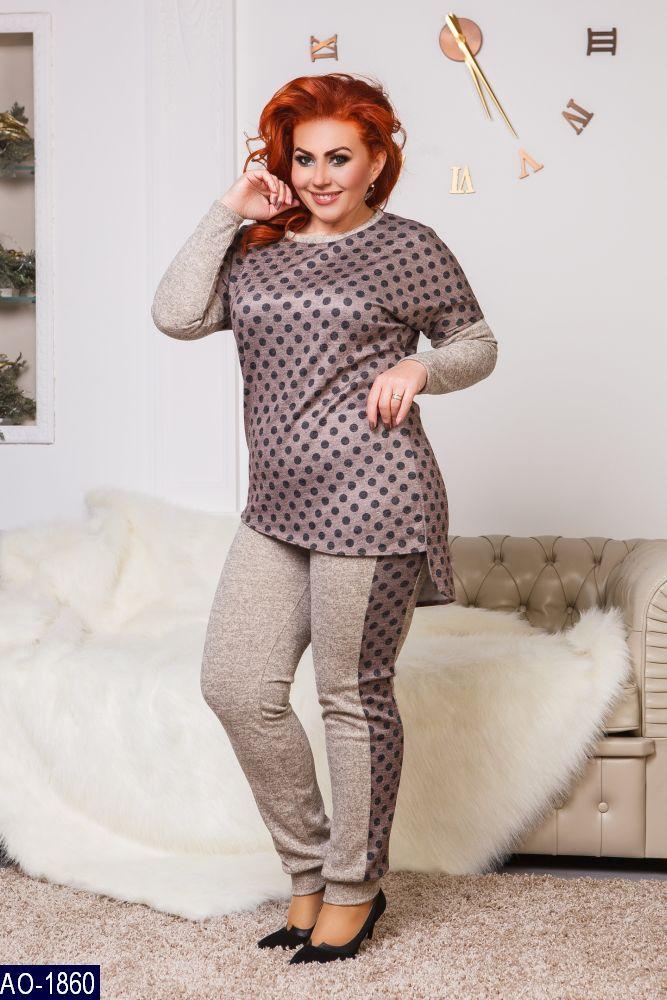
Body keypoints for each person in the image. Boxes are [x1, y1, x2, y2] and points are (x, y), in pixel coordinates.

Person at [151, 72, 497, 964]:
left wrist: (421, 369)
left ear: (377, 160)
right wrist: (228, 209)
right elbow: (176, 315)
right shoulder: (258, 246)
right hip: (277, 508)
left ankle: (353, 888)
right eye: (303, 159)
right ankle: (306, 872)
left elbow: (474, 341)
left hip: (375, 498)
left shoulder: (408, 246)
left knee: (350, 696)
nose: (318, 176)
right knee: (237, 686)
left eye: (339, 158)